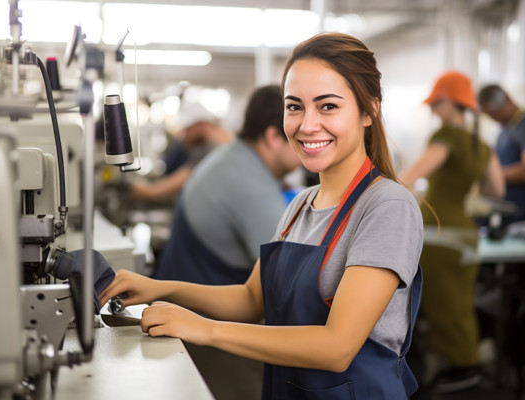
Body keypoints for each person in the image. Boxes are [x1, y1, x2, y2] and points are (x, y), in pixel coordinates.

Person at [100, 32, 424, 399]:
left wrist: (205, 329)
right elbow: (252, 299)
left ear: (369, 111)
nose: (307, 124)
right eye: (294, 106)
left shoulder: (387, 206)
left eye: (328, 106)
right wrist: (161, 288)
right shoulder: (300, 205)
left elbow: (337, 347)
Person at [400, 70, 505, 393]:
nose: (433, 110)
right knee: (459, 304)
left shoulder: (446, 136)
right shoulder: (481, 144)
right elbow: (496, 190)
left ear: (451, 103)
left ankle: (462, 369)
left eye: (437, 103)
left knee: (441, 306)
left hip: (439, 234)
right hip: (467, 234)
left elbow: (409, 177)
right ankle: (464, 365)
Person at [153, 84, 302, 285]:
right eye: (301, 138)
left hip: (181, 293)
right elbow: (290, 279)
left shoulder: (233, 156)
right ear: (274, 137)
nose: (309, 144)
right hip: (197, 310)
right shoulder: (252, 187)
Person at [478, 84, 525, 228]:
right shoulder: (505, 131)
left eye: (493, 113)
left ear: (506, 100)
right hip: (512, 213)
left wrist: (492, 177)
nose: (493, 118)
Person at [130, 101, 232, 204]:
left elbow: (183, 179)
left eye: (188, 129)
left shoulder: (210, 148)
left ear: (202, 125)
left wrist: (146, 191)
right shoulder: (224, 142)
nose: (185, 136)